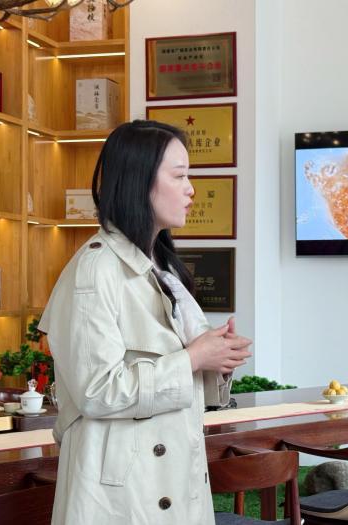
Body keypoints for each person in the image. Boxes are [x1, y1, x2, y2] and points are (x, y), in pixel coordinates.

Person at [38, 120, 252, 525]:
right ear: (139, 181)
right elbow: (97, 390)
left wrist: (217, 359)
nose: (191, 189)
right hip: (121, 497)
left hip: (172, 481)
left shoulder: (162, 267)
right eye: (179, 176)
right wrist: (193, 358)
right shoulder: (95, 270)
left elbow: (179, 376)